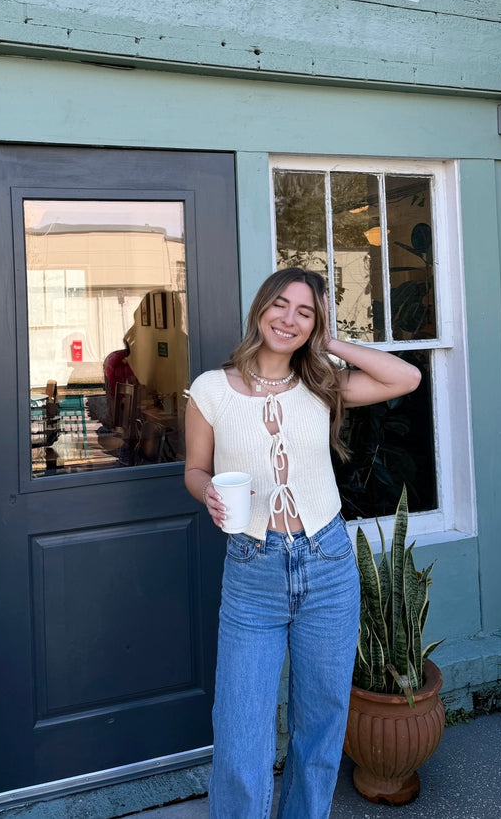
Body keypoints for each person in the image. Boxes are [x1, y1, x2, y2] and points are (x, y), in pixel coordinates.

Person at [184, 267, 421, 819]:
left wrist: (329, 342)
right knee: (242, 736)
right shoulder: (211, 389)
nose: (288, 319)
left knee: (320, 726)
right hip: (253, 569)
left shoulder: (322, 384)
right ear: (260, 309)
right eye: (280, 305)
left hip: (328, 563)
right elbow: (195, 468)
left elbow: (403, 377)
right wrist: (209, 495)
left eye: (305, 312)